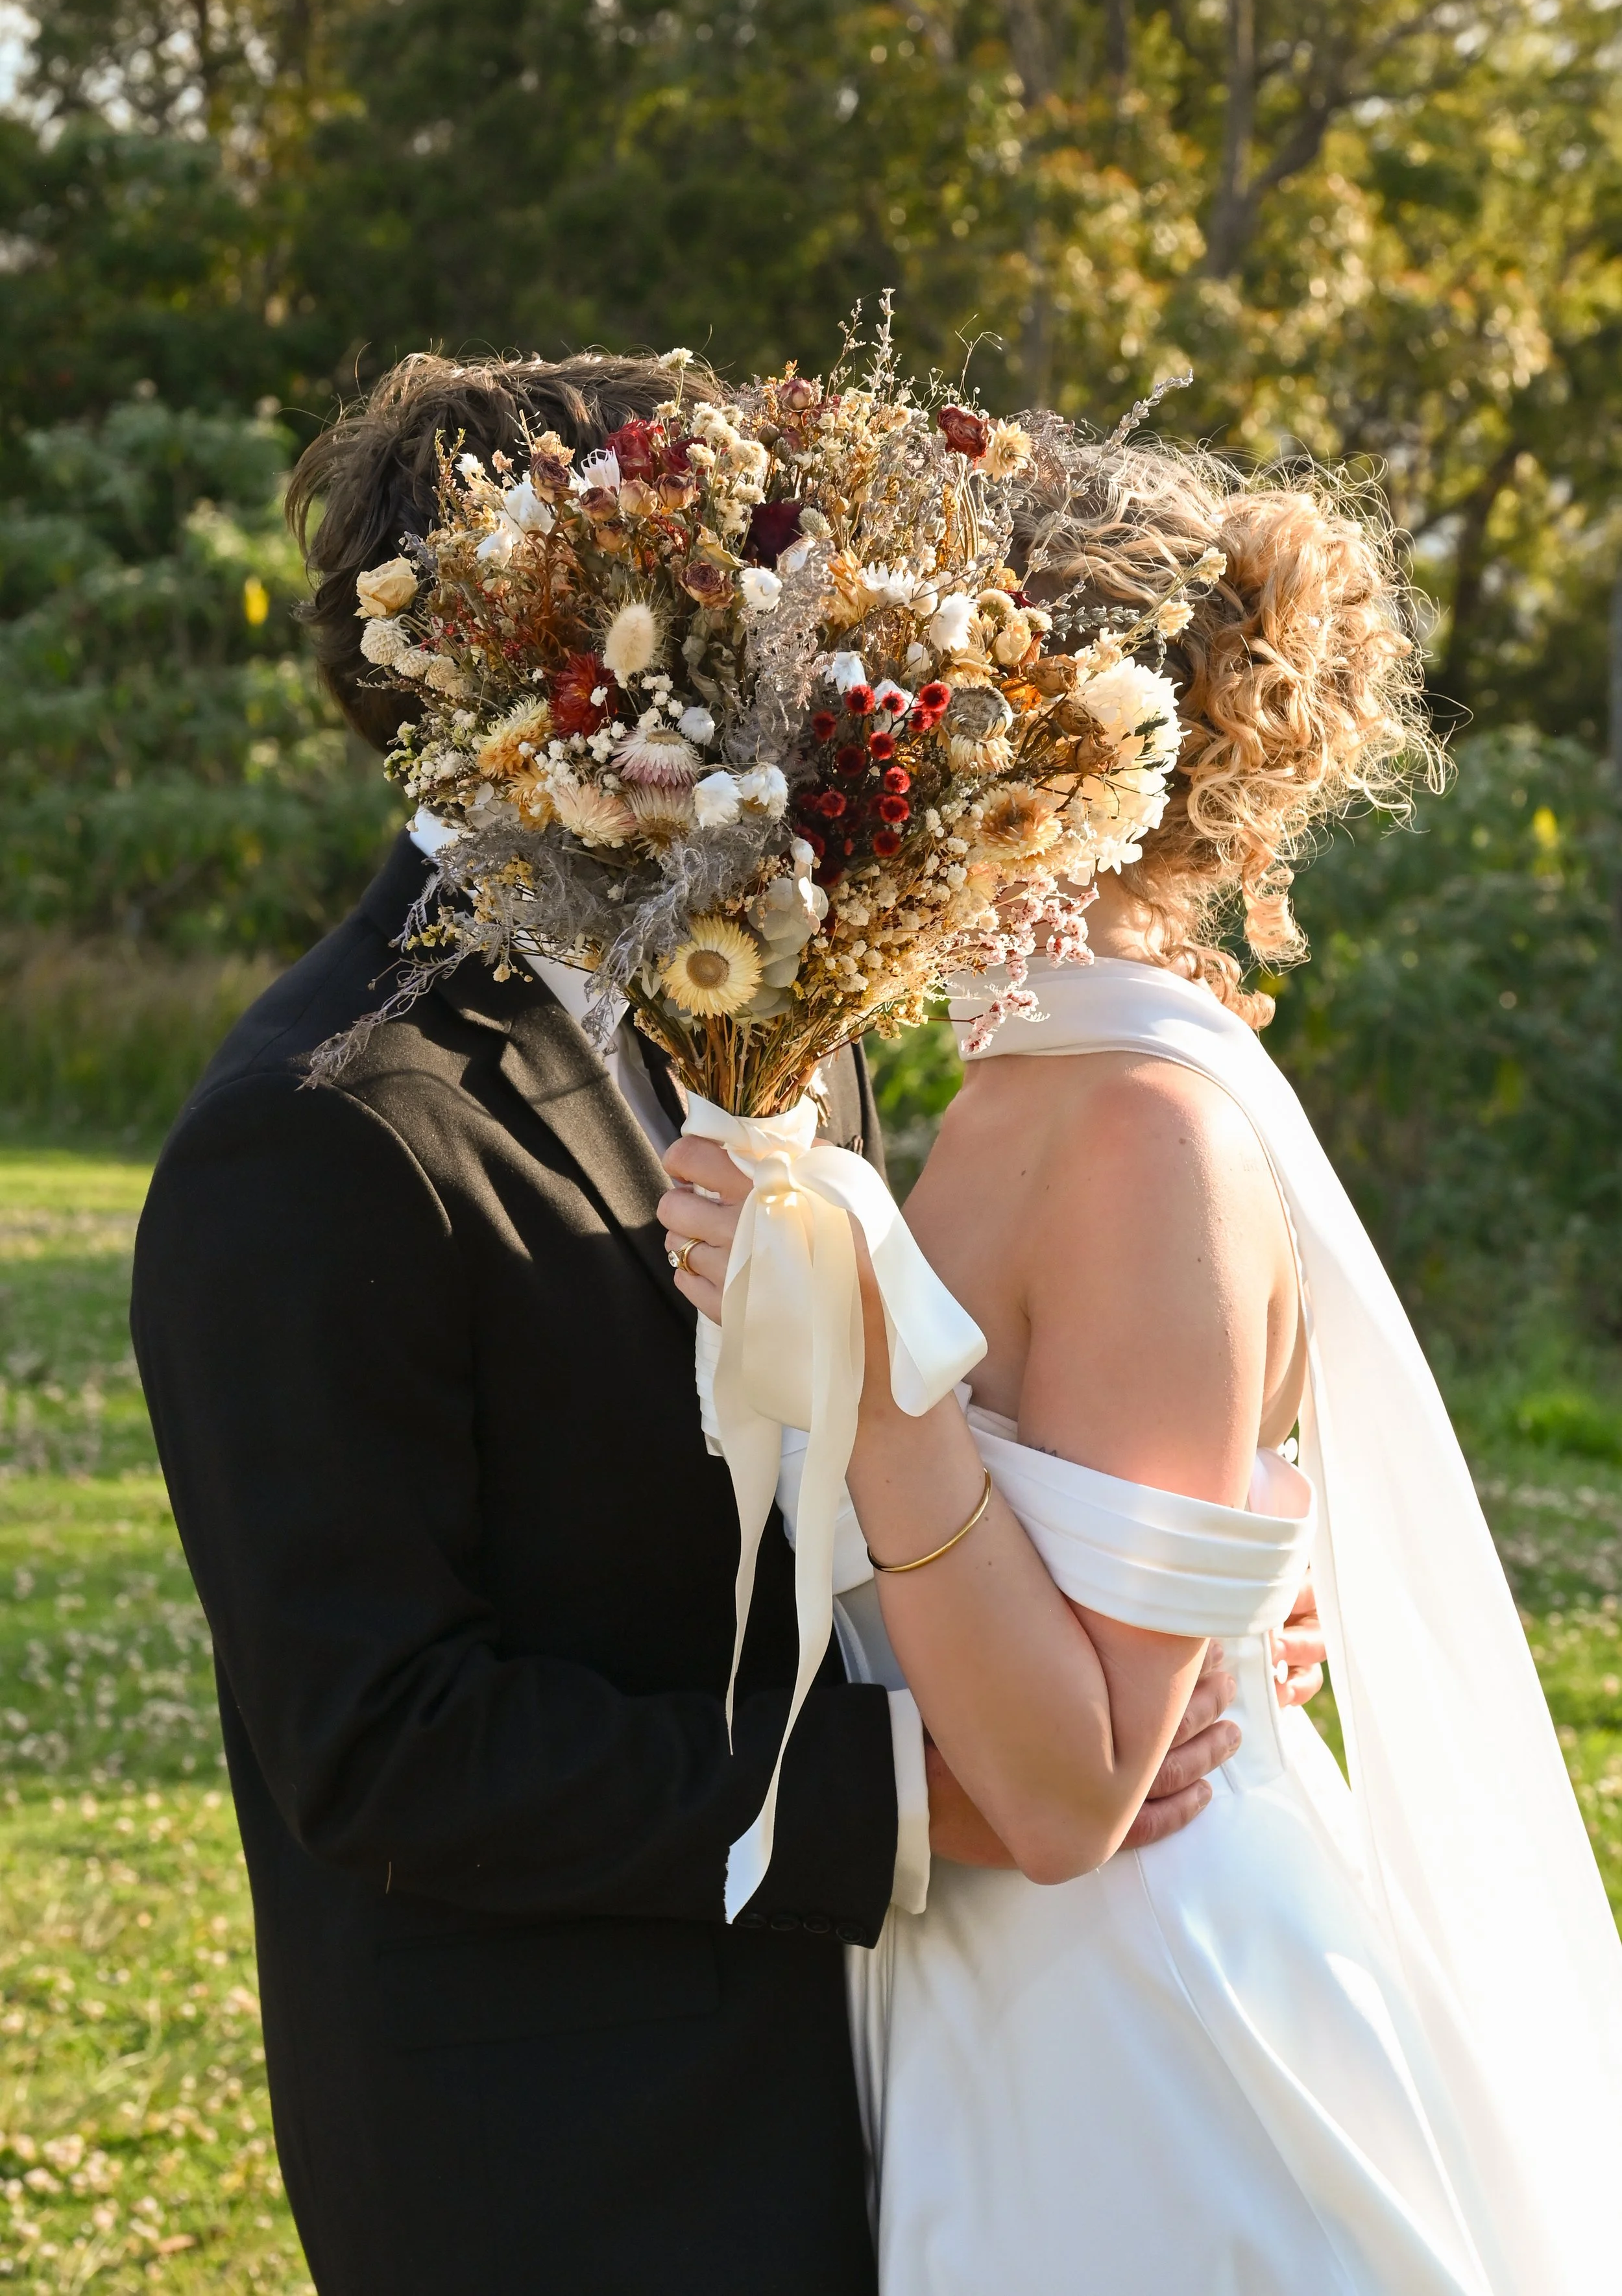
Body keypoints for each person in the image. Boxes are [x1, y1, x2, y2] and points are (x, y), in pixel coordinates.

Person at [128, 353, 1245, 2296]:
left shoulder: (771, 1011)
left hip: (893, 2088)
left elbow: (880, 1448)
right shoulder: (311, 1142)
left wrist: (1134, 1598)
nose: (800, 637)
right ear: (530, 650)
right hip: (567, 2160)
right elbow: (383, 1742)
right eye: (733, 581)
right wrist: (923, 1797)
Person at [660, 448, 1622, 2293]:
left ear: (1029, 761)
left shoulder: (1141, 1133)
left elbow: (1075, 1791)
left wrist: (868, 1376)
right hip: (994, 1992)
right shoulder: (1013, 1090)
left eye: (892, 713)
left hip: (1145, 2014)